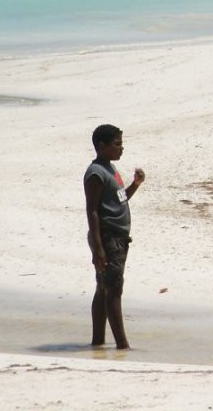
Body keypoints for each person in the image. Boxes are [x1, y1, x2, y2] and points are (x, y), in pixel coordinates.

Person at [84, 123, 145, 349]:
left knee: (103, 287)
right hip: (108, 238)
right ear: (102, 146)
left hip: (117, 238)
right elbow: (92, 210)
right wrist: (99, 247)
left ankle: (98, 343)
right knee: (113, 288)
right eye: (117, 144)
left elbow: (119, 199)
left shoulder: (110, 169)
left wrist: (135, 185)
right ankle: (122, 345)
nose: (121, 148)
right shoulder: (95, 174)